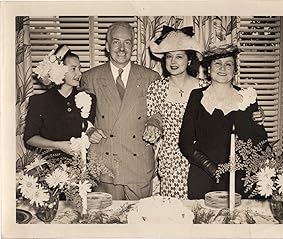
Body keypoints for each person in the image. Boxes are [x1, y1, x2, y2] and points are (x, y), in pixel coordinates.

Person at [143, 26, 265, 200]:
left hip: (202, 159)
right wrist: (153, 123)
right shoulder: (157, 88)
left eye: (179, 56)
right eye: (169, 56)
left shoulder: (202, 87)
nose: (173, 61)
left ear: (189, 60)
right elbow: (153, 116)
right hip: (173, 160)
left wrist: (257, 113)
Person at [80, 22, 161, 200]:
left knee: (141, 221)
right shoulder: (90, 77)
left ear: (133, 46)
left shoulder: (151, 77)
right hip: (105, 161)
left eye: (127, 42)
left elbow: (159, 112)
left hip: (138, 161)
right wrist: (89, 130)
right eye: (116, 42)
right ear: (107, 46)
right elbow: (80, 116)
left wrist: (154, 123)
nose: (122, 48)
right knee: (107, 221)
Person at [178, 44, 268, 199]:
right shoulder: (197, 96)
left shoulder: (247, 98)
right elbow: (185, 142)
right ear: (208, 69)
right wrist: (213, 169)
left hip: (240, 180)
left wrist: (259, 122)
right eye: (217, 64)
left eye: (228, 64)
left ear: (235, 70)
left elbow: (260, 143)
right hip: (204, 177)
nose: (223, 68)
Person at [24, 45, 96, 159]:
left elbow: (89, 129)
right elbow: (29, 138)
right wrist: (57, 145)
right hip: (50, 167)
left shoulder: (88, 99)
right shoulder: (40, 101)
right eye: (73, 69)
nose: (79, 73)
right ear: (59, 71)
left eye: (79, 68)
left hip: (81, 165)